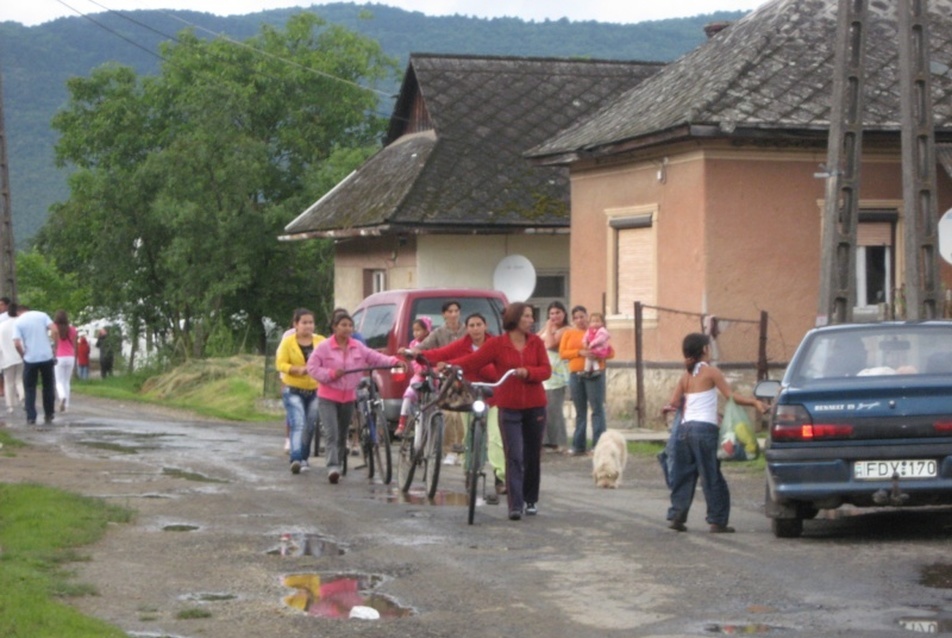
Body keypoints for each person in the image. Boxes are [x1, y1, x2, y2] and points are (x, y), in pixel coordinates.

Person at [448, 303, 550, 521]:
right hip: (509, 407)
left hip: (535, 406)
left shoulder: (536, 343)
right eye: (527, 316)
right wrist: (448, 366)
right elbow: (472, 360)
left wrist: (528, 372)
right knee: (513, 455)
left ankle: (531, 499)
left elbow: (546, 370)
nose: (531, 320)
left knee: (532, 455)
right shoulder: (497, 344)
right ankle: (515, 505)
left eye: (532, 316)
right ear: (515, 319)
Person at [665, 332, 768, 534]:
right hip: (705, 430)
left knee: (684, 475)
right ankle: (717, 521)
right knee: (711, 475)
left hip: (684, 431)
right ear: (704, 350)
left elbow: (675, 403)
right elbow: (731, 396)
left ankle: (677, 516)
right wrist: (754, 402)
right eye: (709, 347)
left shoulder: (685, 376)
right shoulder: (712, 372)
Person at [412, 312, 506, 501]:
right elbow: (441, 354)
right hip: (468, 397)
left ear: (485, 326)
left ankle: (500, 477)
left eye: (479, 324)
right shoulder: (462, 344)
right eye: (471, 325)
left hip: (494, 396)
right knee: (469, 437)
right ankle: (470, 471)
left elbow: (497, 371)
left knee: (496, 438)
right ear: (467, 328)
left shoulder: (495, 344)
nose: (475, 329)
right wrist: (419, 355)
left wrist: (472, 366)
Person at [306, 312, 406, 484]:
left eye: (350, 325)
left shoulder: (357, 346)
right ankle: (333, 467)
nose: (347, 329)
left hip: (348, 397)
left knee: (343, 432)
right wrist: (330, 374)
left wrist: (393, 361)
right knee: (332, 433)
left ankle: (339, 458)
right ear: (334, 327)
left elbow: (374, 357)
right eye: (343, 325)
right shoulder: (324, 347)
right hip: (328, 397)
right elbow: (312, 368)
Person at [275, 308, 324, 475]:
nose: (308, 326)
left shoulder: (321, 342)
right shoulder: (288, 342)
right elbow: (280, 364)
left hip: (315, 389)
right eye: (304, 322)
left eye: (311, 322)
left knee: (310, 425)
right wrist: (296, 369)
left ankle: (304, 458)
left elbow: (330, 360)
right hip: (293, 388)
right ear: (295, 324)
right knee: (298, 422)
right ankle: (295, 458)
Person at [417, 300, 468, 454]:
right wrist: (411, 351)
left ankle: (463, 448)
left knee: (463, 415)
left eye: (456, 311)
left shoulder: (468, 330)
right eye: (450, 311)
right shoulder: (438, 333)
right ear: (444, 314)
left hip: (466, 376)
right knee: (448, 414)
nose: (453, 314)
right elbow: (422, 347)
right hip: (447, 378)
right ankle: (449, 449)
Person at [559, 306, 609, 456]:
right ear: (573, 320)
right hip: (576, 374)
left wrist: (598, 354)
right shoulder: (569, 333)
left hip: (594, 374)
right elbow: (562, 353)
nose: (580, 320)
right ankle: (578, 445)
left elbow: (610, 351)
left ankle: (598, 446)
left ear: (587, 317)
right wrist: (579, 352)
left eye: (582, 316)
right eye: (576, 317)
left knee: (597, 409)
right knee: (580, 411)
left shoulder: (598, 332)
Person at [13, 306, 56, 425]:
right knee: (48, 386)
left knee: (30, 388)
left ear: (19, 312)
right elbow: (54, 329)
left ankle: (31, 416)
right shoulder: (42, 315)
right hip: (46, 356)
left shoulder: (18, 322)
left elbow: (16, 343)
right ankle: (49, 413)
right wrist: (54, 346)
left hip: (30, 358)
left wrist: (23, 354)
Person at [537, 301, 570, 452]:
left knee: (554, 408)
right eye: (552, 313)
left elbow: (550, 344)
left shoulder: (566, 330)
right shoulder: (548, 327)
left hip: (556, 373)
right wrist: (547, 326)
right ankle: (544, 441)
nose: (554, 316)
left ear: (564, 313)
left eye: (558, 313)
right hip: (543, 372)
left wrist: (549, 327)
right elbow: (536, 340)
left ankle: (557, 441)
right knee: (542, 407)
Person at [395, 316, 432, 437]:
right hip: (418, 377)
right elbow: (412, 358)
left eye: (418, 330)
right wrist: (405, 352)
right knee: (408, 395)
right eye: (414, 330)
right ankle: (402, 423)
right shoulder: (413, 344)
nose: (415, 333)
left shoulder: (433, 342)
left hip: (432, 377)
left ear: (427, 330)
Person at [52, 310, 77, 412]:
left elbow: (55, 344)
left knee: (59, 381)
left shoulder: (55, 330)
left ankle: (62, 397)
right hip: (70, 356)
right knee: (67, 381)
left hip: (59, 356)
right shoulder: (73, 330)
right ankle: (66, 405)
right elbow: (75, 345)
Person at [0, 303, 23, 414]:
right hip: (20, 356)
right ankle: (23, 397)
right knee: (19, 379)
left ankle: (10, 406)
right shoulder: (21, 324)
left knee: (9, 382)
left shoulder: (2, 326)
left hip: (7, 357)